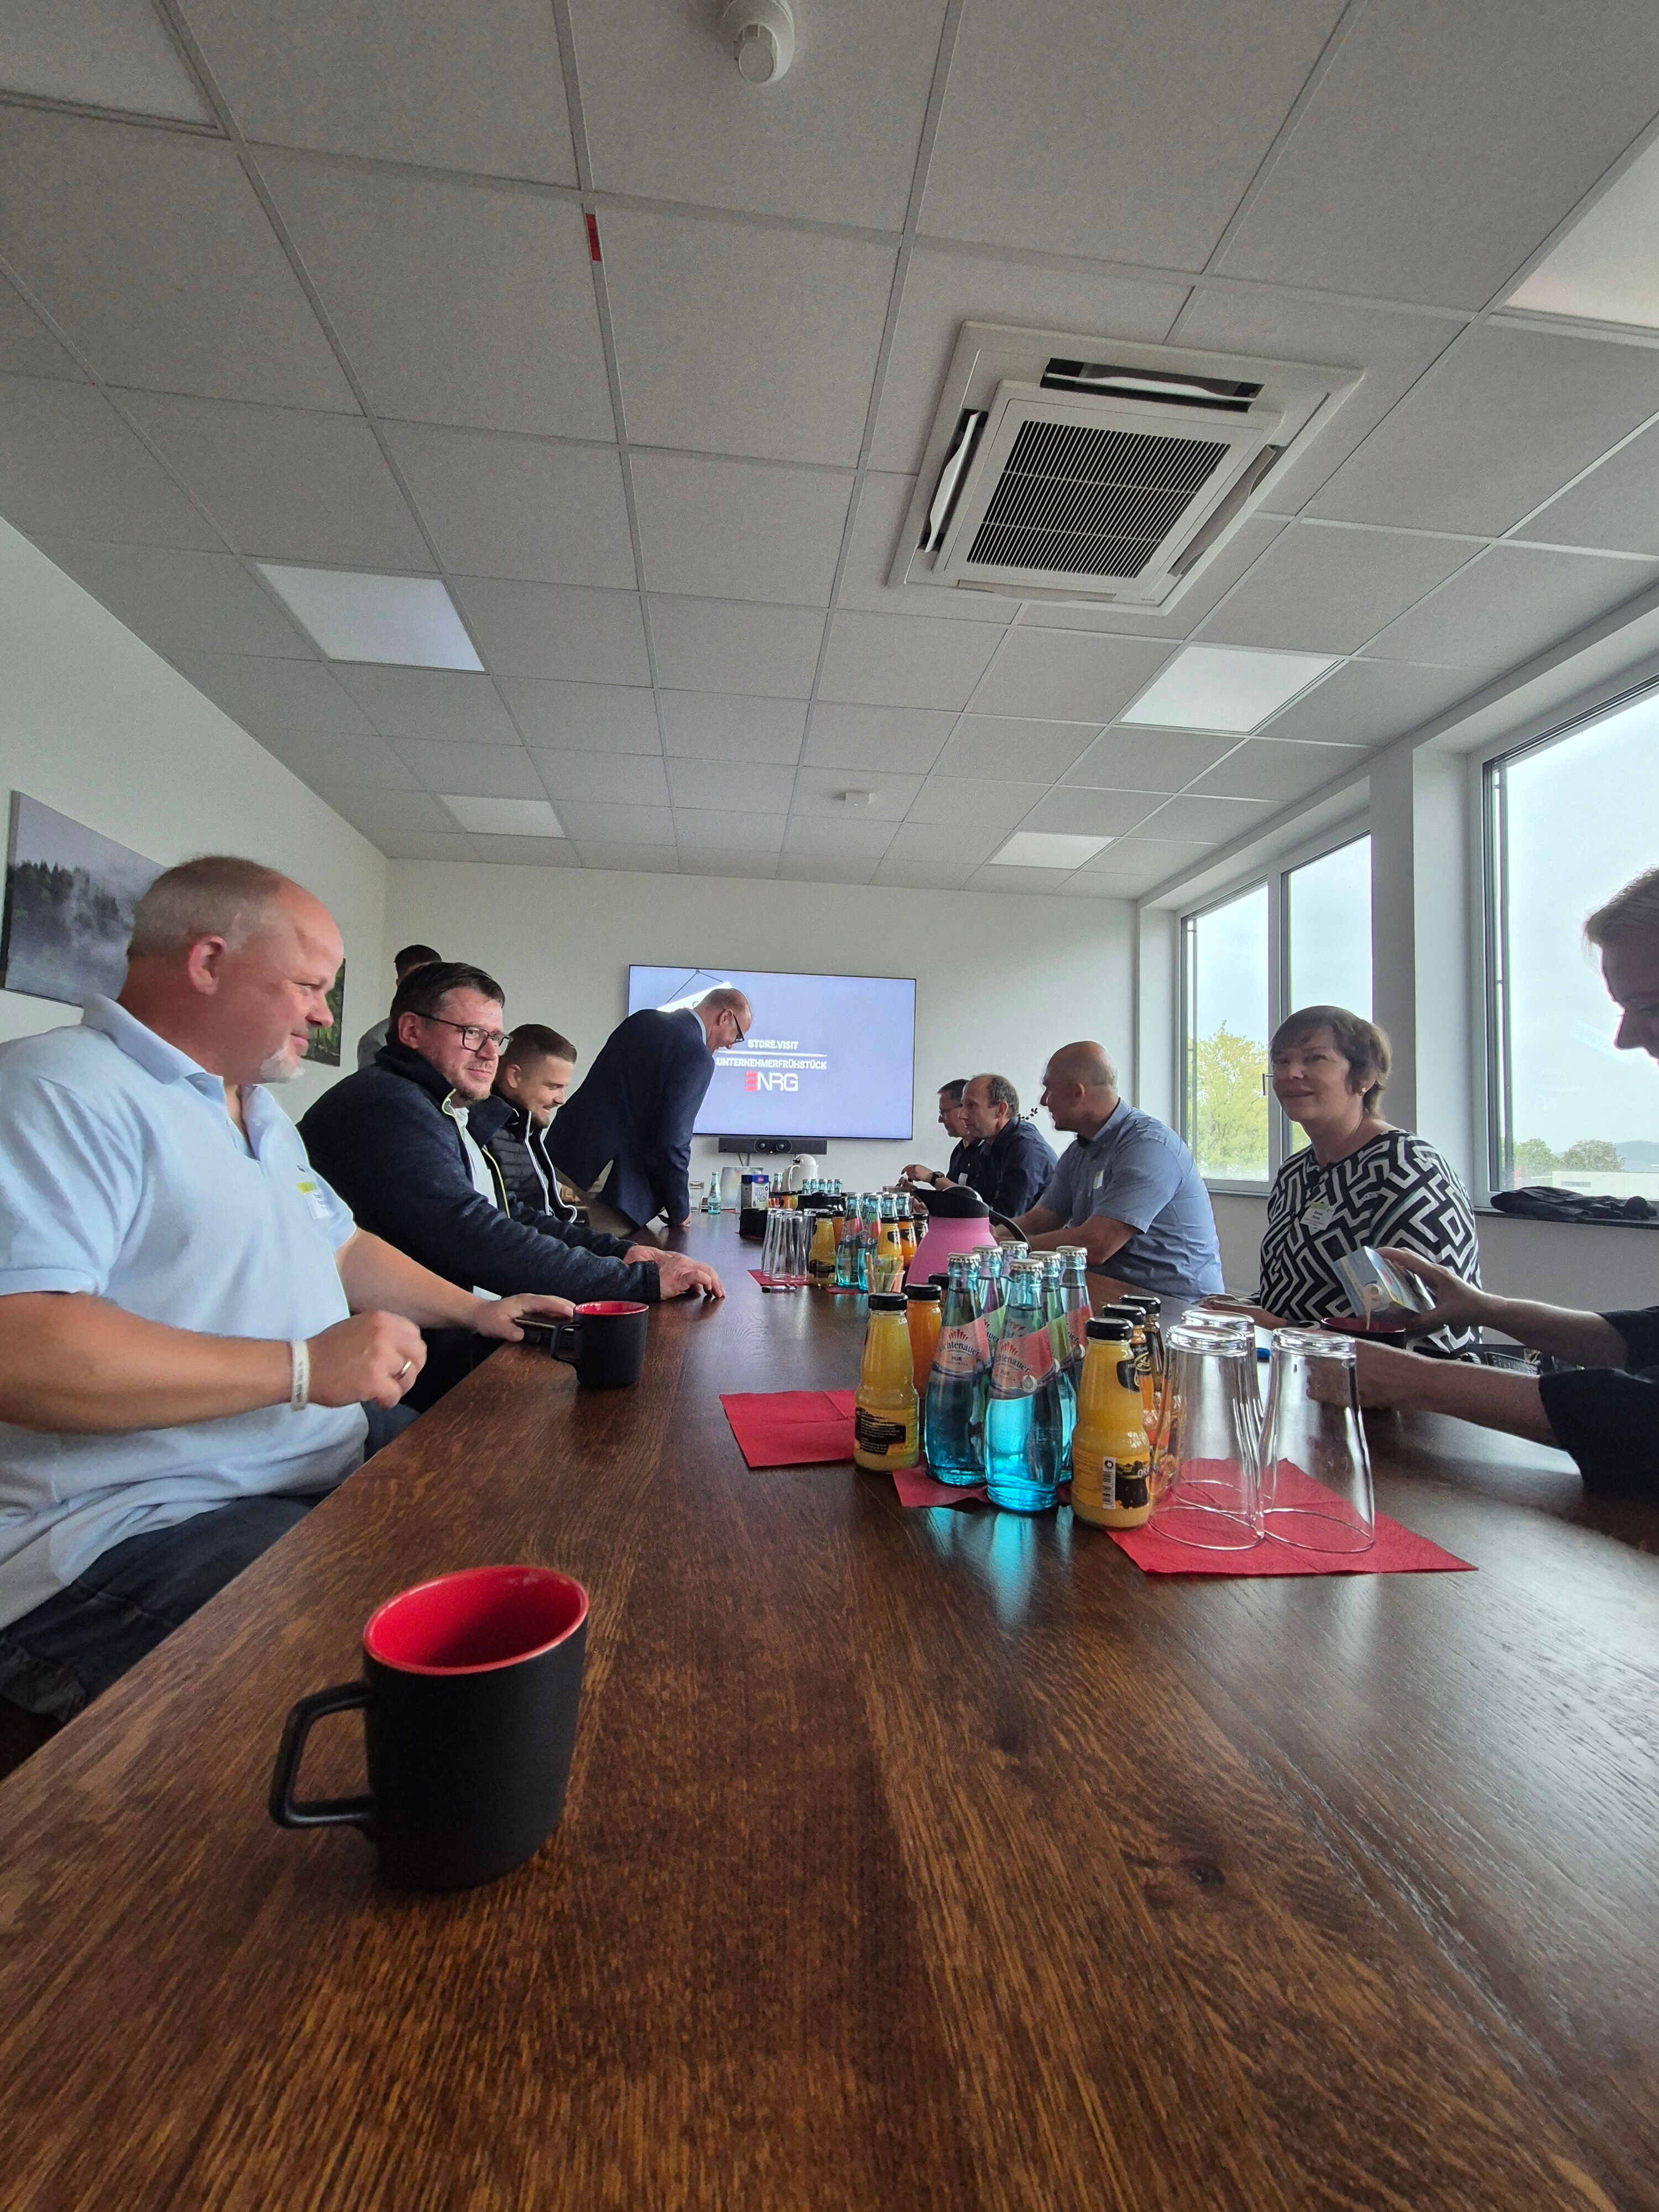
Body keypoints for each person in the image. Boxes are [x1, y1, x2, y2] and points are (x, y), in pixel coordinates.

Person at [0, 859, 574, 1725]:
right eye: (309, 986)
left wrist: (476, 1310)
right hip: (131, 1526)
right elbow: (23, 1351)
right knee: (410, 1691)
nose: (326, 1014)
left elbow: (340, 1247)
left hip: (302, 1457)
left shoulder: (257, 1113)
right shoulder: (56, 1091)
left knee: (519, 1527)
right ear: (208, 962)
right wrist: (302, 1368)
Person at [1346, 867, 1659, 1491]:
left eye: (1648, 1006)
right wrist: (1490, 1309)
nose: (1624, 1038)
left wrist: (1409, 1379)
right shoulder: (1297, 1171)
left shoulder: (1406, 1162)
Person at [300, 967, 722, 1392]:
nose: (490, 1054)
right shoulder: (387, 1106)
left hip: (446, 1342)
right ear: (411, 1031)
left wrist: (622, 1252)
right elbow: (473, 1234)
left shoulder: (441, 1108)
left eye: (495, 1038)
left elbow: (509, 1213)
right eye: (471, 1034)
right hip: (397, 1369)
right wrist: (638, 1282)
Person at [1208, 1006, 1481, 1357]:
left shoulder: (1407, 1166)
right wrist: (1235, 1308)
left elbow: (1428, 1323)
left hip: (1396, 1381)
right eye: (1282, 1061)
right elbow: (1293, 1296)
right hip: (1297, 1368)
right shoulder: (1295, 1173)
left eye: (1315, 1059)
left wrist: (1279, 1328)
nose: (1291, 1073)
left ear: (1364, 1076)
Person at [1009, 1041, 1224, 1301]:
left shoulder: (1148, 1146)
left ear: (1077, 1093)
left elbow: (1096, 1244)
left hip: (1177, 1306)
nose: (1044, 1101)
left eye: (1048, 1089)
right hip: (1113, 1293)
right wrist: (985, 1235)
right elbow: (1041, 1219)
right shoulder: (1080, 1151)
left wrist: (1008, 1248)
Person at [546, 988, 753, 1231]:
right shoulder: (697, 1056)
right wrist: (680, 1210)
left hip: (562, 1152)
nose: (730, 1046)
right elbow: (673, 1142)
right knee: (624, 1251)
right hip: (605, 1177)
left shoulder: (643, 1019)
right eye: (737, 1036)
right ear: (725, 1017)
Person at [484, 1024, 579, 1218]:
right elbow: (518, 1222)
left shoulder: (525, 1129)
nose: (562, 1099)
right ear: (514, 1077)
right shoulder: (488, 1135)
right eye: (554, 1087)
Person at [954, 1073, 1057, 1218]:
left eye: (971, 1105)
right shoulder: (989, 1144)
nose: (961, 1115)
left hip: (1028, 1232)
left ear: (1000, 1110)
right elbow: (979, 1204)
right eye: (962, 1105)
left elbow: (1005, 1218)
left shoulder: (1026, 1150)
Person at [356, 943, 440, 1069]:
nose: (425, 987)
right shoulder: (377, 1040)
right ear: (400, 985)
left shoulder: (459, 1031)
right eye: (414, 980)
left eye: (433, 979)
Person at [903, 1080, 979, 1193]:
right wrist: (916, 1194)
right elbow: (951, 1197)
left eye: (943, 1112)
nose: (940, 1120)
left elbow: (977, 1200)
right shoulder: (959, 1150)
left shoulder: (989, 1151)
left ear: (964, 1109)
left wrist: (931, 1177)